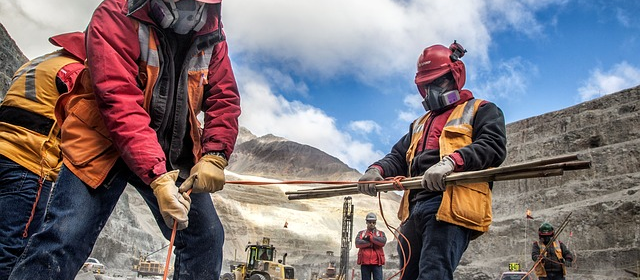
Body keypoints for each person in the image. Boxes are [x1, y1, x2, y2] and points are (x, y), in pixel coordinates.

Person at [8, 0, 240, 279]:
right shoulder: (115, 14)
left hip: (171, 149)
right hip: (102, 142)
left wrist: (215, 154)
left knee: (205, 239)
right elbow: (118, 101)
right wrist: (157, 177)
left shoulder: (214, 32)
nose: (191, 8)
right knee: (64, 236)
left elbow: (223, 97)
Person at [357, 41, 507, 280]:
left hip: (449, 205)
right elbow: (398, 156)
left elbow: (493, 146)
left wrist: (451, 162)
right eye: (427, 85)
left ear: (455, 76)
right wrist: (376, 170)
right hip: (414, 208)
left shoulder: (482, 109)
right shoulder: (419, 123)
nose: (431, 91)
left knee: (433, 274)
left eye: (438, 82)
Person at [0, 31, 85, 279]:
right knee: (12, 248)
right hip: (28, 163)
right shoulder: (73, 71)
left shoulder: (36, 63)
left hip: (4, 150)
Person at [355, 213, 387, 280]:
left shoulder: (381, 233)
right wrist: (373, 242)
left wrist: (370, 238)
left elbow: (383, 242)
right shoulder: (361, 233)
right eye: (370, 222)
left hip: (377, 263)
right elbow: (357, 243)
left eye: (373, 222)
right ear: (366, 222)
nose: (371, 224)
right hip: (365, 263)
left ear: (375, 223)